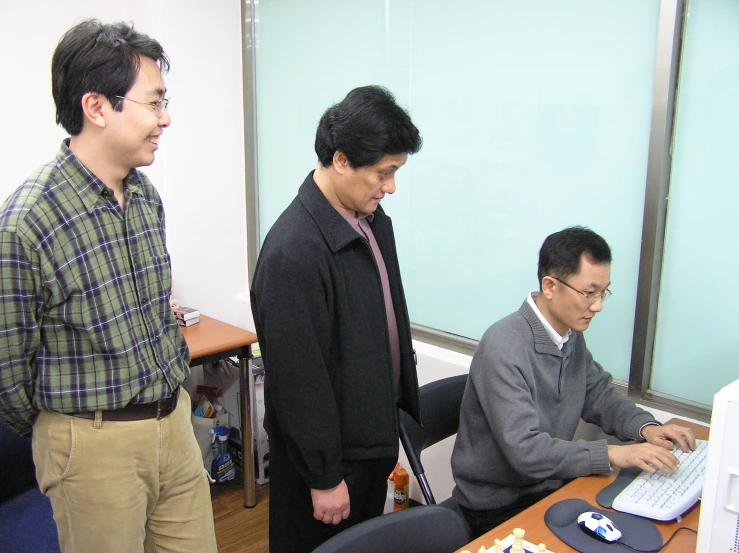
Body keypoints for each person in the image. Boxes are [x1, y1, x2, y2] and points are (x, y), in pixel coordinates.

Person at [0, 20, 217, 553]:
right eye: (153, 103)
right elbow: (9, 374)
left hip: (172, 424)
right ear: (97, 108)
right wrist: (74, 431)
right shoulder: (27, 222)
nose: (165, 120)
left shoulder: (145, 196)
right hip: (91, 442)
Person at [250, 85, 423, 552]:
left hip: (367, 443)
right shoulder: (294, 252)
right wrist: (324, 476)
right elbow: (298, 382)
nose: (390, 187)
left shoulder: (370, 220)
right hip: (329, 463)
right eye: (384, 173)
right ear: (342, 160)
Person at [451, 226, 696, 539]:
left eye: (603, 292)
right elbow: (526, 451)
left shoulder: (568, 336)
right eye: (589, 293)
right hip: (498, 505)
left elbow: (598, 394)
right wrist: (613, 454)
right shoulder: (503, 345)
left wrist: (647, 428)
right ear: (550, 286)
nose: (598, 306)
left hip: (551, 486)